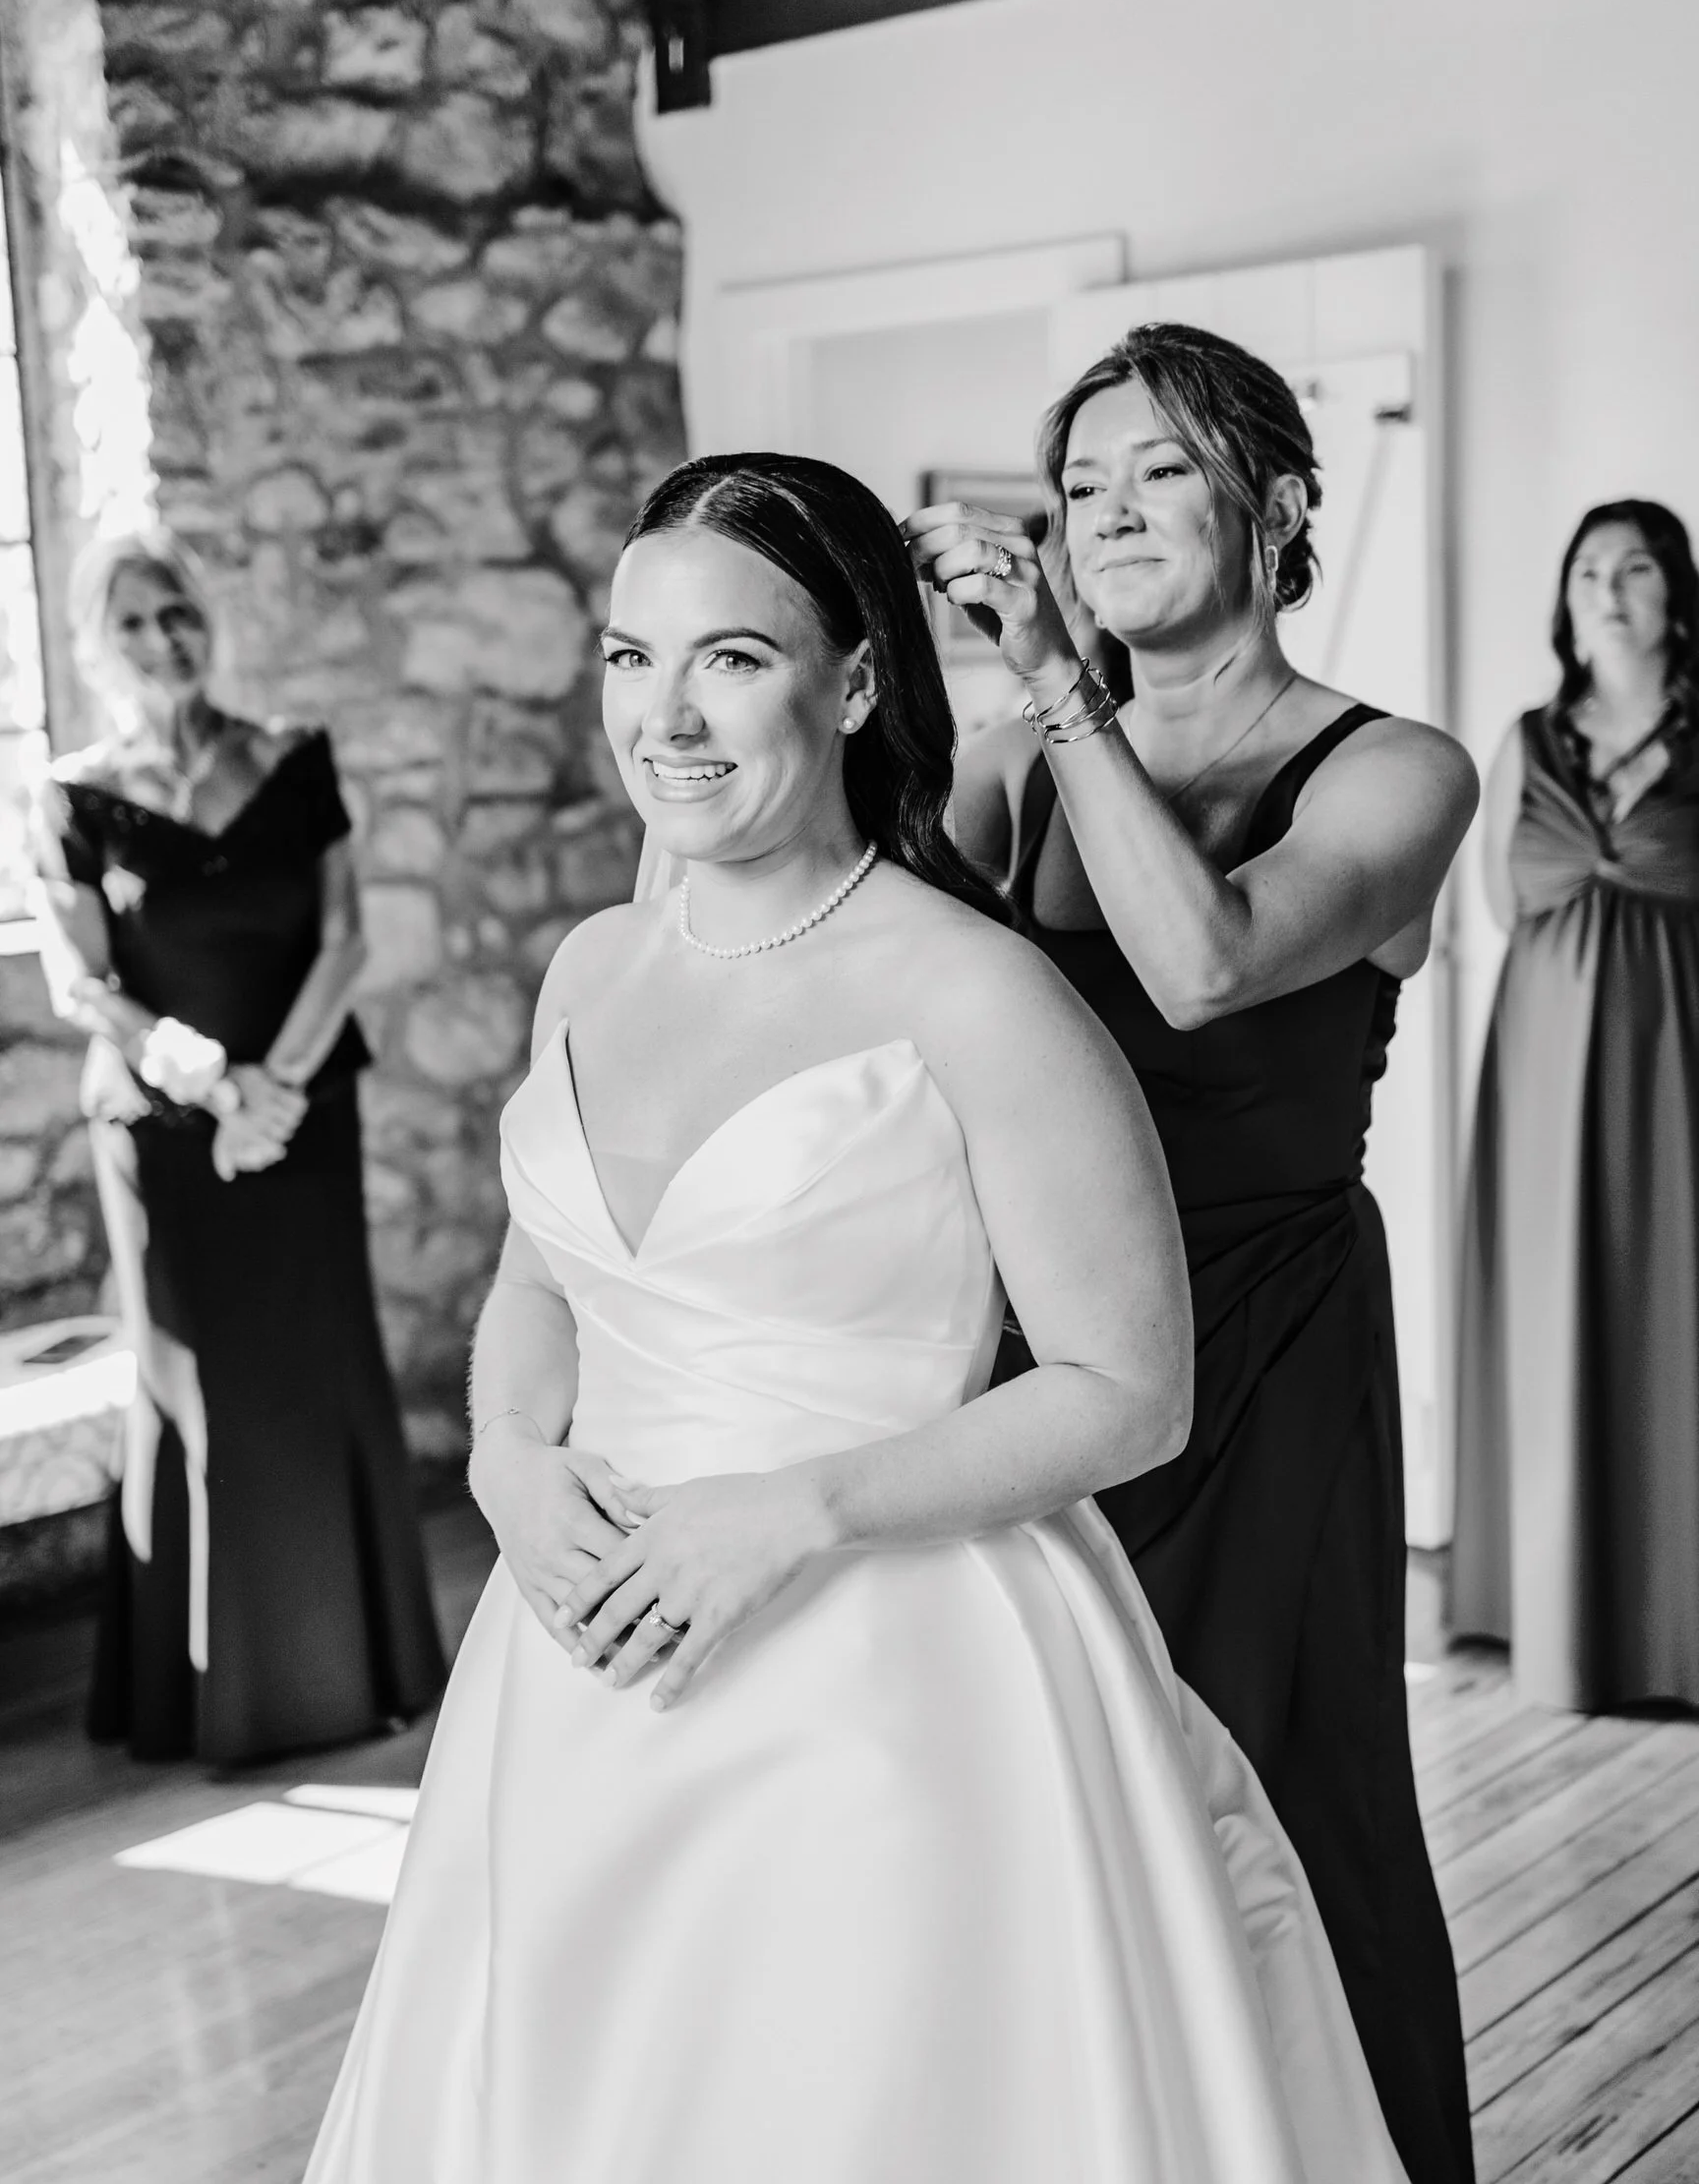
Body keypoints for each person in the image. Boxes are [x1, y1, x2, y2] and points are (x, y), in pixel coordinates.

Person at [306, 454, 1407, 2184]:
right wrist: (510, 1454)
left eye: (731, 658)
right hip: (581, 1661)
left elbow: (1132, 1390)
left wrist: (795, 1509)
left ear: (854, 683)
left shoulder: (974, 988)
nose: (665, 716)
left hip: (894, 1683)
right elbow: (540, 1283)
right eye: (630, 657)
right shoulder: (594, 964)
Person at [906, 325, 1478, 2184]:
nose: (1111, 512)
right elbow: (872, 1003)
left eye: (1160, 469)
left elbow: (1205, 962)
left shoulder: (1398, 771)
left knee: (1280, 1796)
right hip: (1049, 1361)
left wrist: (1055, 689)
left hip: (1268, 1349)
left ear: (1279, 503)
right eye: (1081, 485)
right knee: (1052, 1792)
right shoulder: (1005, 768)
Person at [32, 527, 444, 1765]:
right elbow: (81, 982)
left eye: (179, 613)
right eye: (133, 622)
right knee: (197, 1387)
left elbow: (344, 937)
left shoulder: (292, 760)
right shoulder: (70, 797)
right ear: (94, 647)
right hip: (162, 1131)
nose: (163, 640)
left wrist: (278, 1091)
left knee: (321, 1363)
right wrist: (215, 1086)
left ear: (208, 621)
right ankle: (205, 1696)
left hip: (305, 1113)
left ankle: (358, 1669)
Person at [1453, 501, 1699, 1711]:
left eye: (1635, 568)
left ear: (1676, 597)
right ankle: (1555, 1616)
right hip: (1544, 1052)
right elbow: (1503, 904)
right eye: (1588, 569)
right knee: (1553, 1302)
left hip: (1680, 1052)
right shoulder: (1527, 739)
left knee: (1675, 1307)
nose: (1607, 589)